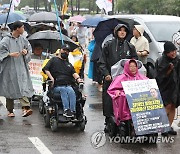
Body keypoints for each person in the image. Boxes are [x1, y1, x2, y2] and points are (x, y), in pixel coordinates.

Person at [98, 24, 138, 132]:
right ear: (116, 32)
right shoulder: (108, 45)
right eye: (120, 30)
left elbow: (136, 62)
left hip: (126, 80)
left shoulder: (130, 46)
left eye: (124, 30)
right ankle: (108, 121)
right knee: (109, 100)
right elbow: (102, 62)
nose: (122, 32)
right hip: (110, 79)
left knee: (125, 99)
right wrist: (106, 74)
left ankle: (127, 120)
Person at [0, 21, 34, 117]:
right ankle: (10, 110)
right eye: (22, 27)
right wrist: (9, 54)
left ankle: (26, 107)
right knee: (9, 88)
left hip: (21, 67)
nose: (23, 29)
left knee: (22, 87)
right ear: (17, 28)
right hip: (9, 68)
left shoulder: (23, 40)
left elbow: (29, 49)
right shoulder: (5, 40)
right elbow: (1, 51)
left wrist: (26, 52)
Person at [43, 44, 82, 118]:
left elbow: (74, 73)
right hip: (56, 86)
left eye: (67, 51)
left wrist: (78, 79)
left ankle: (72, 111)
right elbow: (46, 69)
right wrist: (51, 78)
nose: (65, 52)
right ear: (60, 50)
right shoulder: (53, 60)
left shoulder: (69, 64)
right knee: (63, 89)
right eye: (64, 50)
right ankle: (66, 110)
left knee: (71, 90)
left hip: (68, 85)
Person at [107, 59, 148, 126]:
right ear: (126, 67)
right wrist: (117, 92)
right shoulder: (120, 78)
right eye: (130, 66)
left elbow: (151, 87)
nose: (133, 68)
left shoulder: (142, 77)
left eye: (135, 66)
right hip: (126, 101)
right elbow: (112, 89)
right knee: (122, 97)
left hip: (140, 101)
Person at [155, 41, 180, 135]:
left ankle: (169, 126)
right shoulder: (161, 60)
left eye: (174, 50)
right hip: (165, 87)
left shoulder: (177, 58)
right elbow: (159, 77)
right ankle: (162, 127)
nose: (173, 53)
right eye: (171, 51)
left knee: (173, 105)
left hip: (176, 86)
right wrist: (169, 70)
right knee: (167, 106)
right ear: (166, 52)